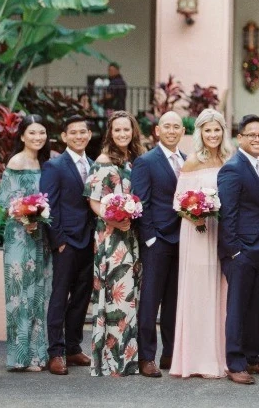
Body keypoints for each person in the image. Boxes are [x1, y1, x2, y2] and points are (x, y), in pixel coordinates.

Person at [171, 109, 231, 378]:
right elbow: (178, 202)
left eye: (216, 129)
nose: (213, 135)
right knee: (198, 292)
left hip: (223, 231)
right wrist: (195, 215)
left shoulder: (229, 159)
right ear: (200, 133)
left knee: (221, 292)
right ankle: (195, 360)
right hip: (197, 231)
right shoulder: (193, 161)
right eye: (207, 130)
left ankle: (219, 356)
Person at [85, 110, 144, 376]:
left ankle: (128, 357)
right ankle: (110, 359)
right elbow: (94, 201)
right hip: (110, 237)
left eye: (126, 129)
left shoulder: (136, 160)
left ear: (133, 131)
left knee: (130, 296)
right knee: (113, 294)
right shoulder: (103, 160)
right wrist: (114, 219)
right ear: (110, 132)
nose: (122, 134)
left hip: (131, 235)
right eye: (117, 130)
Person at [217, 114, 259, 385]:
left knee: (255, 307)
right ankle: (235, 362)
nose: (257, 139)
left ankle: (252, 356)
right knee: (238, 308)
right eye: (251, 135)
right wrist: (234, 250)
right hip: (241, 250)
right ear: (240, 138)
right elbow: (227, 212)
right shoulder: (233, 168)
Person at [0, 114, 53, 372]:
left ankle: (38, 354)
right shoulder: (16, 161)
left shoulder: (46, 162)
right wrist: (24, 217)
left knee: (40, 293)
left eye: (41, 132)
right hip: (19, 237)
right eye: (32, 133)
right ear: (22, 136)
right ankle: (20, 356)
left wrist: (38, 219)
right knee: (21, 295)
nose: (37, 137)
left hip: (41, 235)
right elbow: (5, 201)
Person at [132, 111, 186, 377]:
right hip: (157, 240)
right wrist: (150, 237)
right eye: (167, 126)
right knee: (151, 300)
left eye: (177, 127)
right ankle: (146, 357)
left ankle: (169, 353)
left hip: (183, 240)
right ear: (157, 131)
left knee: (175, 301)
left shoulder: (187, 161)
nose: (172, 131)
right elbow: (141, 203)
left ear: (183, 132)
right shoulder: (146, 161)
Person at [40, 115, 95, 375]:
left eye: (83, 132)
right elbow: (47, 205)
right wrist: (58, 240)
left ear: (89, 134)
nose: (79, 136)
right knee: (60, 297)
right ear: (64, 137)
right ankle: (56, 352)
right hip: (66, 242)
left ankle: (73, 347)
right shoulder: (55, 165)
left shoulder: (94, 165)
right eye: (73, 133)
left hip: (88, 241)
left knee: (82, 297)